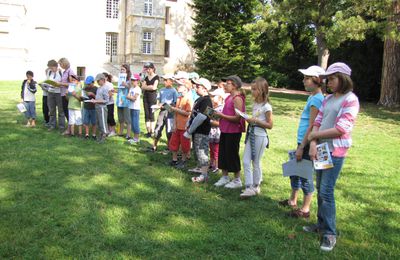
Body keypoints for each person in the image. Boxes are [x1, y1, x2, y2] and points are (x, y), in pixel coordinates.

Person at [303, 62, 359, 252]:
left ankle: (330, 234)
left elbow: (341, 129)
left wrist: (314, 137)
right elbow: (318, 121)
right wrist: (312, 143)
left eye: (332, 79)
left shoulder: (351, 100)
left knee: (326, 191)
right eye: (328, 79)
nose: (328, 83)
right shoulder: (327, 99)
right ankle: (321, 225)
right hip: (321, 150)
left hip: (335, 152)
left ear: (343, 79)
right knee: (321, 189)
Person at [279, 66, 325, 216]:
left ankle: (305, 209)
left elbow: (312, 126)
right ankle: (293, 200)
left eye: (307, 78)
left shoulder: (317, 99)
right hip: (302, 141)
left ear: (317, 80)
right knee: (295, 170)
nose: (303, 81)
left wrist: (302, 146)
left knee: (305, 174)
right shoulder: (312, 96)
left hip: (306, 143)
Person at [240, 77, 273, 198]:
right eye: (251, 89)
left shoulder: (267, 106)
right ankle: (248, 186)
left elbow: (270, 125)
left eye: (254, 89)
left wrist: (255, 121)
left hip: (260, 136)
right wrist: (250, 119)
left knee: (256, 162)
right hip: (252, 134)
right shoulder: (256, 104)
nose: (252, 92)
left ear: (262, 90)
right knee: (245, 160)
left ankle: (256, 186)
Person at [214, 75, 246, 189]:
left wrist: (221, 115)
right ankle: (225, 176)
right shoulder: (228, 98)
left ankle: (237, 179)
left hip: (234, 131)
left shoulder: (237, 98)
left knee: (232, 154)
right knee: (223, 153)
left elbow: (238, 118)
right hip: (225, 129)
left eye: (228, 83)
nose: (225, 85)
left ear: (235, 86)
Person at [184, 78, 213, 182]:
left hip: (202, 130)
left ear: (205, 88)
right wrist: (189, 124)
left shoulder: (207, 101)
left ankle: (204, 175)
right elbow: (193, 114)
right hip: (196, 130)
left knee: (202, 152)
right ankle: (199, 168)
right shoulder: (199, 99)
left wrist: (190, 130)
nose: (196, 88)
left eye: (198, 86)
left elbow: (202, 117)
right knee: (197, 151)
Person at [168, 81, 193, 168]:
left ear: (185, 89)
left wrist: (175, 109)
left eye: (180, 86)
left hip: (185, 126)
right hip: (177, 126)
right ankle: (174, 160)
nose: (177, 87)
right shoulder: (178, 98)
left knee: (185, 144)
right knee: (174, 142)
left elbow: (188, 113)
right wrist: (174, 124)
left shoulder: (188, 99)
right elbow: (175, 113)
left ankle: (183, 160)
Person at [151, 73, 178, 151]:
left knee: (169, 130)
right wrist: (157, 106)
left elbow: (175, 103)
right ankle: (154, 146)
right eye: (164, 80)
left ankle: (169, 147)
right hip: (162, 112)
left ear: (171, 81)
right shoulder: (161, 90)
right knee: (158, 128)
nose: (165, 82)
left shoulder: (174, 91)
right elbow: (159, 101)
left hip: (170, 112)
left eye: (166, 80)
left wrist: (165, 106)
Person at [207, 87, 225, 173]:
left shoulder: (222, 109)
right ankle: (211, 164)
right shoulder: (213, 107)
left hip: (217, 133)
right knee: (211, 148)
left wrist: (208, 121)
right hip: (211, 132)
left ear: (220, 97)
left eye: (214, 96)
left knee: (216, 150)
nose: (212, 98)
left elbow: (219, 122)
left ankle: (217, 166)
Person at [91, 73, 112, 143]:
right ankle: (100, 135)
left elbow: (106, 100)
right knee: (99, 122)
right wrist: (94, 100)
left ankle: (104, 135)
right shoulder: (99, 88)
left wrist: (96, 101)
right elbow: (98, 97)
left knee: (103, 122)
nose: (97, 82)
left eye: (98, 80)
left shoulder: (105, 88)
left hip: (102, 108)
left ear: (103, 80)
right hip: (97, 107)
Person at [44, 60, 64, 131]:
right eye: (50, 68)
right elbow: (47, 81)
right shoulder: (49, 72)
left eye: (52, 68)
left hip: (59, 93)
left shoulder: (61, 72)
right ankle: (52, 125)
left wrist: (58, 84)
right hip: (50, 92)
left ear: (56, 66)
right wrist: (45, 84)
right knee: (51, 110)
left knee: (60, 110)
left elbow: (63, 83)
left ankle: (61, 126)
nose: (51, 69)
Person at [58, 58, 75, 135]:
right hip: (63, 93)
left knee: (68, 112)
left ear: (64, 63)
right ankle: (69, 128)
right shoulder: (64, 72)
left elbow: (73, 84)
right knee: (66, 111)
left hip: (68, 95)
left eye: (60, 64)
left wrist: (61, 84)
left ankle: (69, 130)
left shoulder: (70, 71)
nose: (60, 66)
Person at [141, 62, 159, 137]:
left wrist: (147, 86)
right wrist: (149, 87)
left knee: (151, 115)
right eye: (146, 69)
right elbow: (142, 87)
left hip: (152, 97)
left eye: (149, 69)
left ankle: (152, 131)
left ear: (152, 69)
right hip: (145, 97)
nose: (147, 70)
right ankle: (148, 132)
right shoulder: (146, 77)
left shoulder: (156, 77)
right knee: (146, 114)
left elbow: (154, 87)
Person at [116, 64, 132, 139]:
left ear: (127, 71)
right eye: (121, 69)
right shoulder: (120, 78)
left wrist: (126, 85)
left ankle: (128, 134)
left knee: (127, 118)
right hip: (119, 100)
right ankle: (120, 132)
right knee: (120, 118)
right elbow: (119, 89)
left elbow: (131, 88)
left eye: (123, 69)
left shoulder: (130, 80)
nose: (122, 71)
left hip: (126, 101)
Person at [127, 73, 142, 144]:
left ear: (138, 81)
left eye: (134, 80)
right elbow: (128, 96)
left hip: (136, 108)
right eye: (132, 80)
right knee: (132, 123)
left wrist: (130, 97)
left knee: (135, 123)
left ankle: (137, 138)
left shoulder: (138, 89)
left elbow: (134, 98)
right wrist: (130, 97)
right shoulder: (131, 88)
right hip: (131, 107)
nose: (133, 81)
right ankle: (134, 137)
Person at [103, 72, 117, 137]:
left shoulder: (109, 84)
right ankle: (108, 130)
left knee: (110, 116)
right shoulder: (102, 84)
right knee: (106, 117)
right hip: (104, 103)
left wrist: (107, 97)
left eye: (103, 77)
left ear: (106, 77)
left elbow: (111, 93)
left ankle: (113, 131)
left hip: (110, 103)